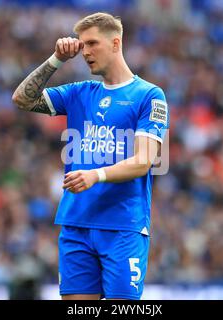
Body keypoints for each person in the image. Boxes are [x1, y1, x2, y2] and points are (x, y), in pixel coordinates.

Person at [12, 12, 169, 300]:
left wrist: (95, 175)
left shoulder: (149, 95)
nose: (85, 52)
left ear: (115, 43)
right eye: (82, 45)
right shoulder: (79, 92)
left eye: (92, 43)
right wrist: (56, 59)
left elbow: (143, 161)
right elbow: (22, 99)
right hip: (76, 223)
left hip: (122, 226)